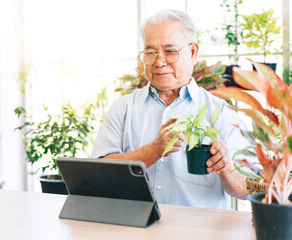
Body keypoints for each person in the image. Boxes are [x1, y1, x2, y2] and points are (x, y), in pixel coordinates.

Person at [91, 9, 252, 209]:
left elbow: (249, 188)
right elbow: (98, 173)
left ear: (193, 53)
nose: (159, 62)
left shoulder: (222, 113)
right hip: (134, 229)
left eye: (170, 51)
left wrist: (227, 168)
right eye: (150, 52)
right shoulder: (122, 109)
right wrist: (154, 150)